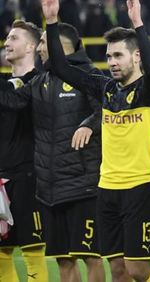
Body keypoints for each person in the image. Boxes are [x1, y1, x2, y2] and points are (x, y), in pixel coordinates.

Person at [43, 0, 150, 282]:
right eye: (109, 56)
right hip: (107, 188)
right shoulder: (105, 88)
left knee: (138, 269)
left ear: (136, 56)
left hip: (142, 187)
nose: (112, 62)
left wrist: (138, 22)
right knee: (118, 270)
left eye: (119, 56)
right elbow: (60, 66)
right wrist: (51, 22)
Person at [0, 22, 105, 282]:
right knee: (64, 260)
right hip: (51, 187)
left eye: (45, 42)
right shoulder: (40, 82)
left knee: (91, 256)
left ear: (61, 46)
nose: (41, 48)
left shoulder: (87, 75)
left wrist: (88, 125)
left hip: (82, 184)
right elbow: (12, 101)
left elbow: (107, 108)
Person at [0, 20, 47, 282]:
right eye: (7, 38)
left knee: (33, 250)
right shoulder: (4, 83)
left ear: (31, 46)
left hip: (30, 177)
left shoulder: (41, 83)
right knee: (2, 254)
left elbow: (16, 103)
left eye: (14, 37)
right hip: (1, 179)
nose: (7, 42)